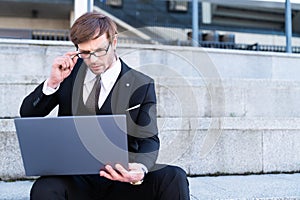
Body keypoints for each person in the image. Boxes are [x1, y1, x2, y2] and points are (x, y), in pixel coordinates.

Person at [20, 12, 190, 200]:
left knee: (174, 177)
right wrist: (52, 82)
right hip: (76, 179)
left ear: (114, 42)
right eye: (85, 52)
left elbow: (149, 139)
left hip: (122, 179)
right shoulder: (67, 75)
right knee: (44, 187)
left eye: (100, 50)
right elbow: (28, 114)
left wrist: (140, 169)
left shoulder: (140, 84)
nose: (93, 60)